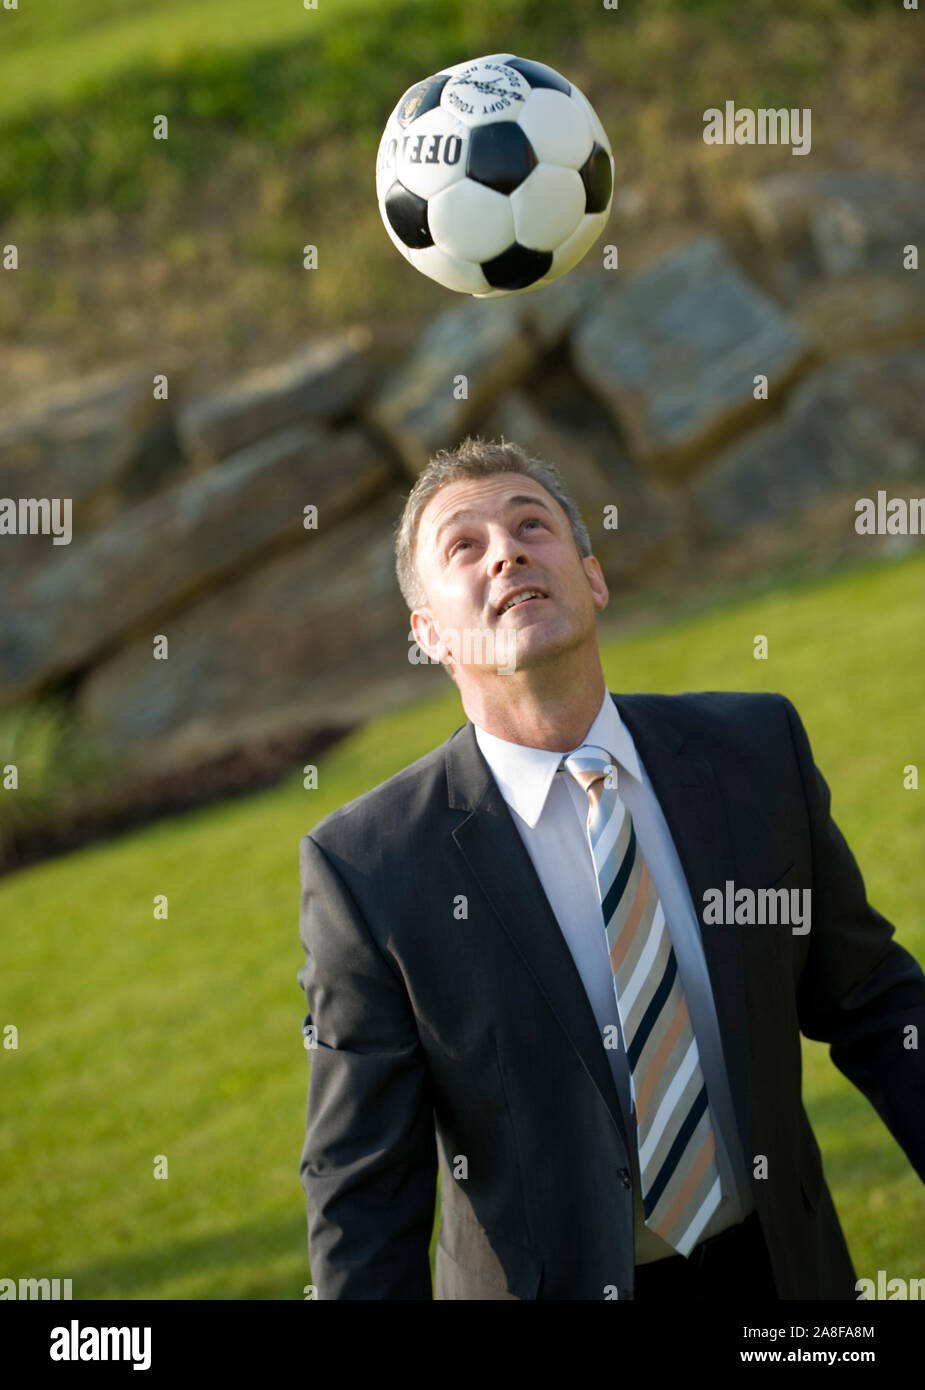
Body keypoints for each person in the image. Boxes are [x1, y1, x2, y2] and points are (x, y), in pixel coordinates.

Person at [296, 435, 925, 1300]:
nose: (507, 550)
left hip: (785, 1280)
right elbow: (362, 1189)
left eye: (531, 525)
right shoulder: (368, 868)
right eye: (463, 545)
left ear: (592, 578)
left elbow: (874, 1005)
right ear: (429, 634)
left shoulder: (753, 754)